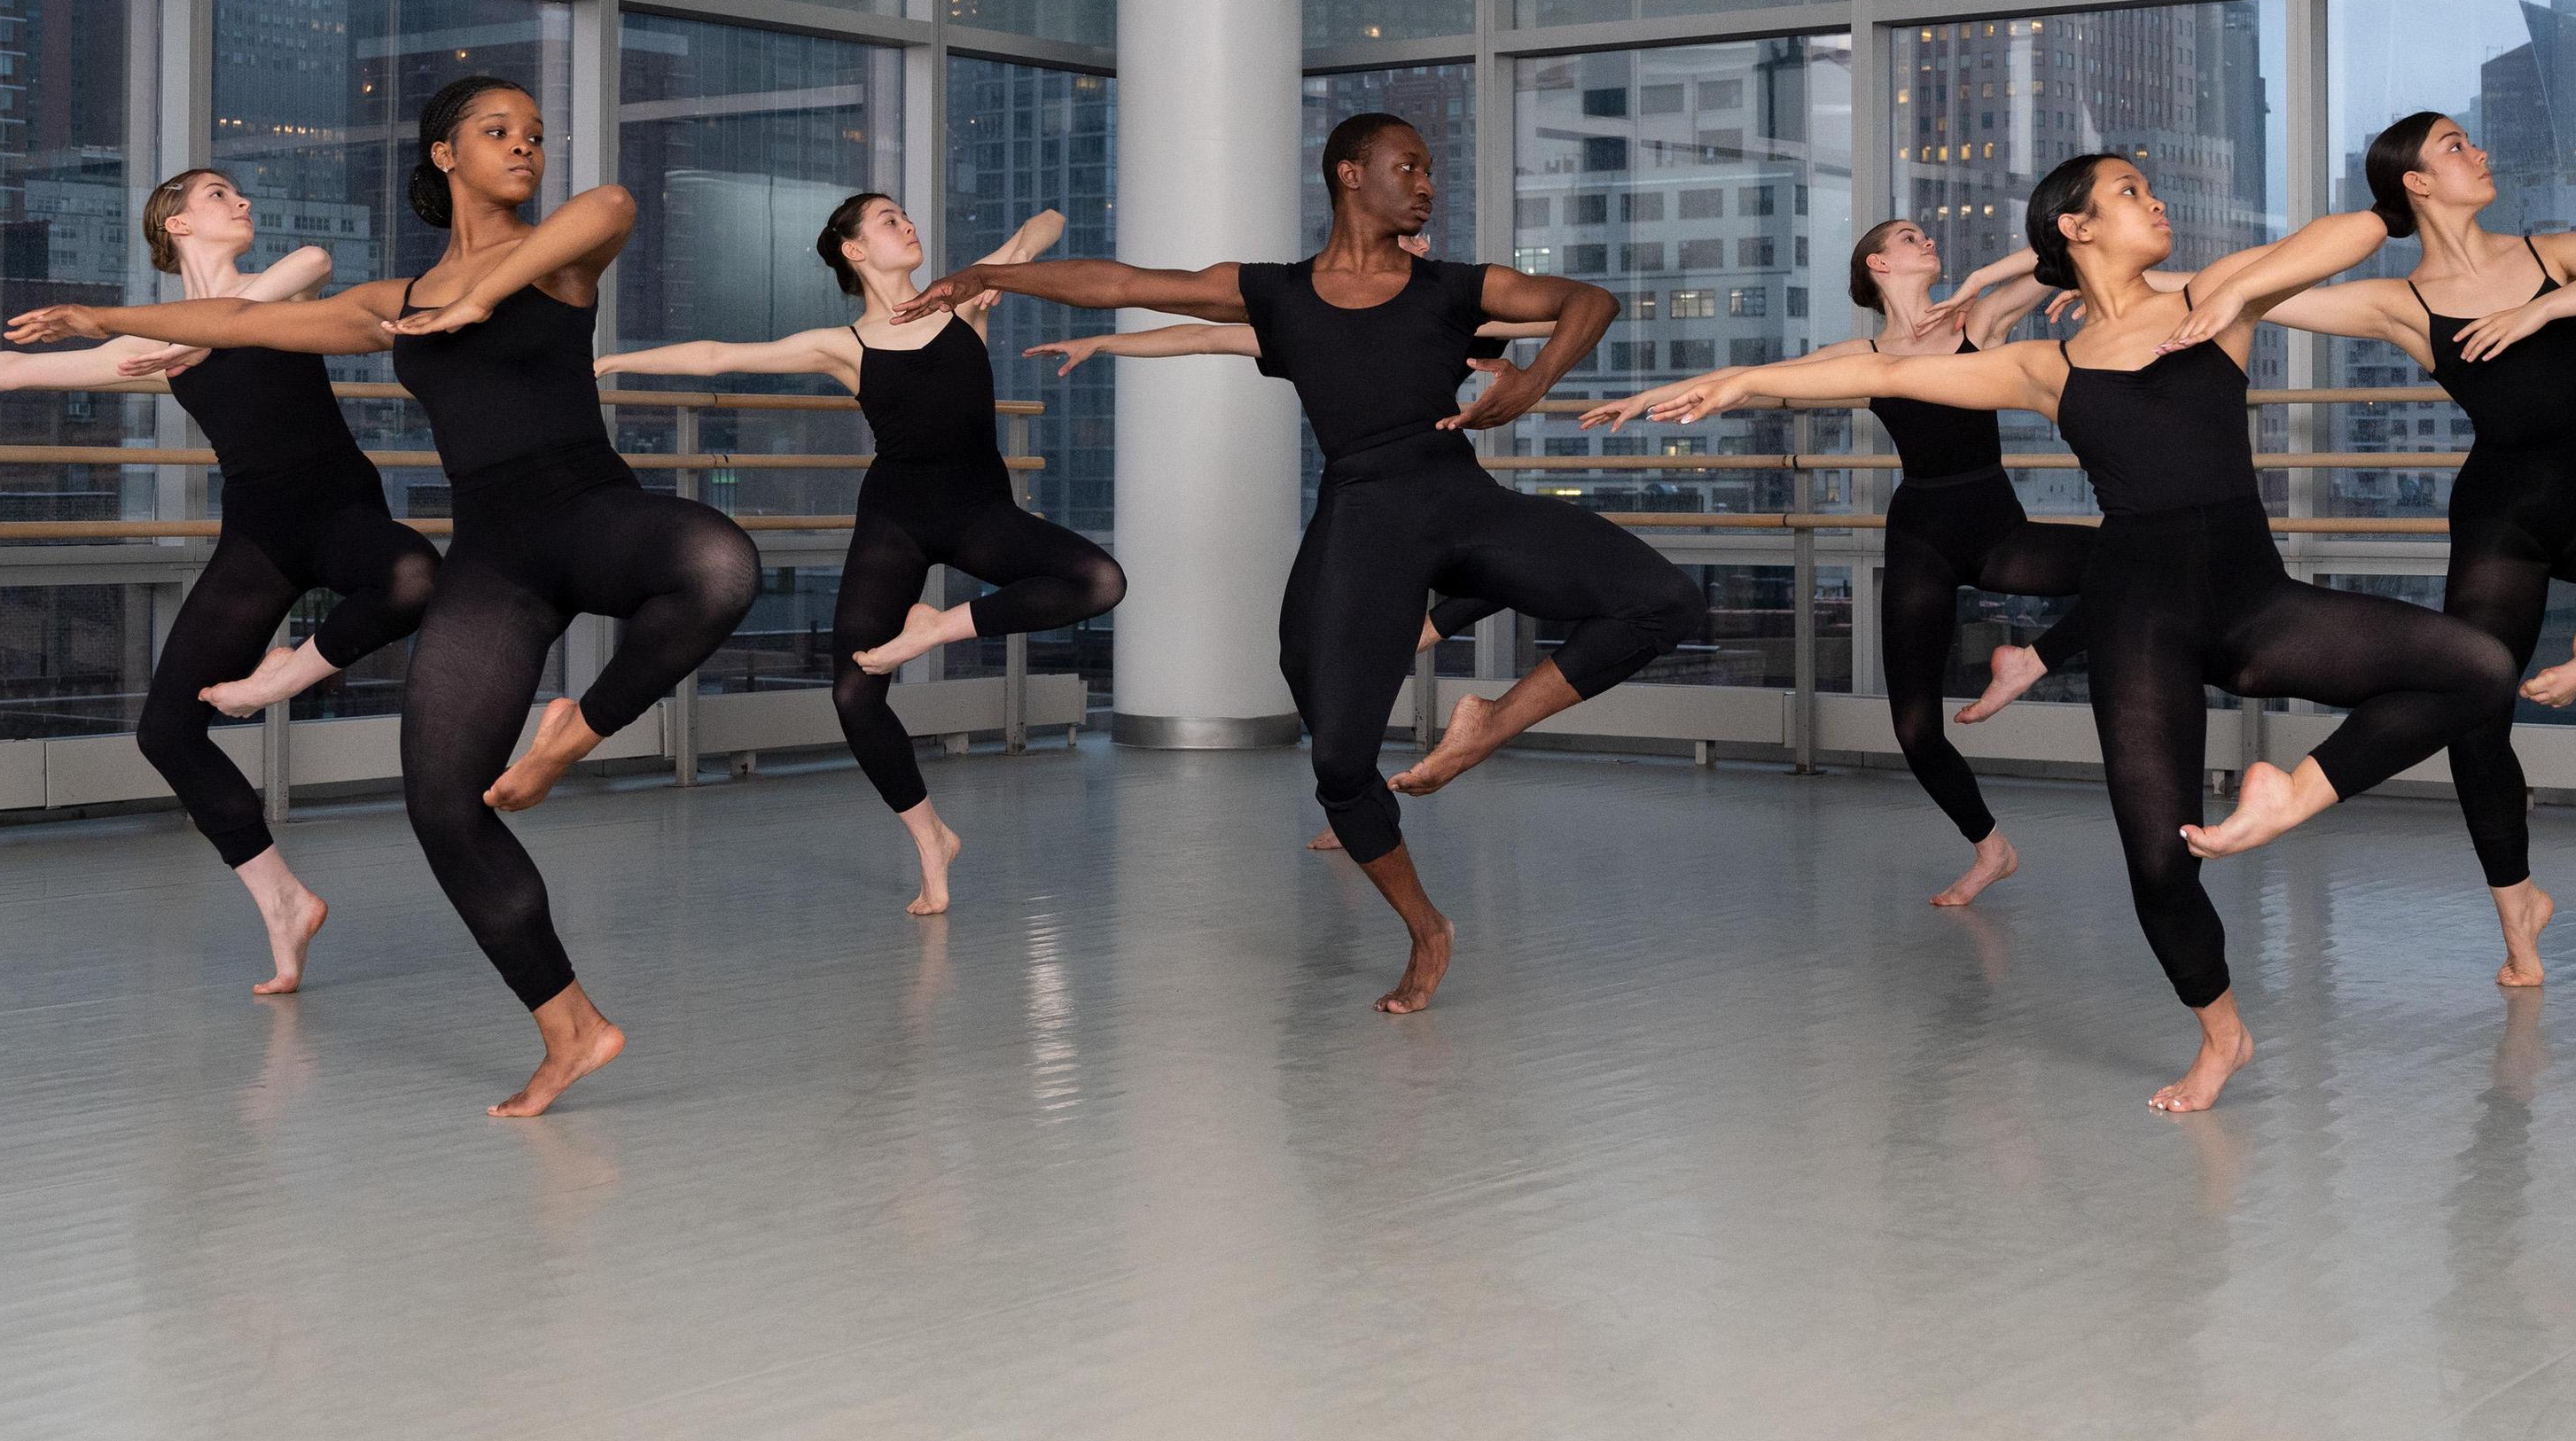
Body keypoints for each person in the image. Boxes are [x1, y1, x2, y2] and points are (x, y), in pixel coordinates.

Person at [1646, 154, 2517, 1111]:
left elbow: (2352, 234)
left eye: (2150, 186)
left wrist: (2214, 291)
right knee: (2157, 862)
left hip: (2257, 601)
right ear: (2076, 226)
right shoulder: (2045, 366)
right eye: (2131, 191)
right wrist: (1741, 380)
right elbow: (1880, 367)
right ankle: (2223, 1035)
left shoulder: (2214, 301)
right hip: (2140, 619)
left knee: (2478, 667)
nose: (2155, 199)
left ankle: (2291, 792)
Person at [11, 77, 757, 1118]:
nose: (525, 147)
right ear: (444, 154)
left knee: (721, 564)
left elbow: (614, 206)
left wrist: (490, 293)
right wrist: (99, 311)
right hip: (495, 560)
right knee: (442, 803)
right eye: (497, 131)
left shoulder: (559, 260)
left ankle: (576, 726)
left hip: (590, 512)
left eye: (535, 134)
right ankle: (571, 1027)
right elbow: (231, 317)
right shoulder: (390, 305)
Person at [895, 113, 1704, 1016]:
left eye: (1430, 170)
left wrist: (1531, 381)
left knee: (1663, 598)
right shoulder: (1278, 295)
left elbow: (1587, 298)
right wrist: (991, 272)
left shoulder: (1452, 287)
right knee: (1340, 762)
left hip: (1463, 501)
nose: (1428, 183)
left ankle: (1487, 722)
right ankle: (1428, 928)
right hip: (1364, 519)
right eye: (1411, 167)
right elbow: (1125, 281)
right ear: (1352, 174)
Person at [2076, 111, 2576, 985]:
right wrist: (2099, 285)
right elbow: (2262, 284)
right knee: (2476, 710)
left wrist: (2545, 311)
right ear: (2415, 181)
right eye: (2455, 145)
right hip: (2503, 522)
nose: (2478, 151)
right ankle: (2518, 912)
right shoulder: (2402, 303)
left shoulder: (2549, 253)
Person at [0, 169, 430, 997]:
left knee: (413, 576)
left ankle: (289, 672)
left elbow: (314, 260)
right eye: (219, 194)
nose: (242, 201)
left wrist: (204, 337)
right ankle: (282, 901)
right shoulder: (148, 345)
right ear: (174, 222)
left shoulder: (270, 295)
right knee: (167, 732)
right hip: (259, 537)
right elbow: (8, 371)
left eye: (242, 192)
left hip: (338, 511)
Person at [594, 193, 1121, 917]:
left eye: (907, 215)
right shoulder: (845, 345)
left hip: (980, 513)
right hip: (894, 520)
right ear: (854, 250)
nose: (908, 225)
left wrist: (991, 271)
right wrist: (615, 360)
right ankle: (930, 839)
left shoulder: (960, 302)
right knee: (853, 692)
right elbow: (721, 355)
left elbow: (1050, 222)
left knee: (1099, 579)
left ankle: (939, 625)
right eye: (888, 220)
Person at [1575, 220, 2080, 907]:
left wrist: (1985, 276)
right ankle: (1992, 848)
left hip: (1997, 529)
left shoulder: (1979, 320)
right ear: (1877, 262)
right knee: (1913, 730)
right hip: (1921, 537)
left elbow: (2066, 251)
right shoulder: (1864, 353)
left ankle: (2035, 660)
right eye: (1910, 236)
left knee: (2133, 560)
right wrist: (1646, 400)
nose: (1927, 239)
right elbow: (1754, 381)